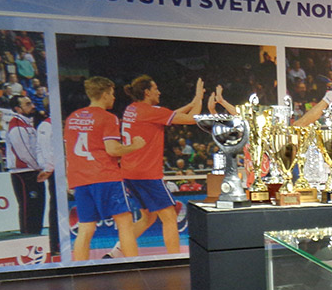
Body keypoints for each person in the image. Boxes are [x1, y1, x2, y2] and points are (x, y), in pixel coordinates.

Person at [64, 77, 146, 260]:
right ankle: (134, 267)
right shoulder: (108, 118)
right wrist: (135, 146)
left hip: (80, 179)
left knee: (85, 228)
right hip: (105, 176)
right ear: (105, 94)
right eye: (112, 93)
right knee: (125, 224)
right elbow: (113, 149)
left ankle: (79, 269)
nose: (114, 98)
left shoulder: (72, 118)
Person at [121, 75, 204, 254]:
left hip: (129, 173)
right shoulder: (151, 112)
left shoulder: (131, 109)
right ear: (147, 92)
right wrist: (198, 98)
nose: (159, 92)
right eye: (155, 88)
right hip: (146, 174)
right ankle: (174, 258)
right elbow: (192, 119)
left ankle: (115, 253)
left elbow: (166, 116)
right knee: (169, 217)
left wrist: (191, 104)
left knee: (148, 218)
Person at [4, 95, 45, 234]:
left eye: (31, 103)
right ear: (18, 108)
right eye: (27, 104)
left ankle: (36, 235)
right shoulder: (17, 126)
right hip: (24, 172)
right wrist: (38, 167)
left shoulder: (26, 124)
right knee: (29, 207)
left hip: (31, 170)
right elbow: (24, 152)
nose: (32, 106)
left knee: (37, 207)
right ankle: (28, 237)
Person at [34, 108, 59, 256]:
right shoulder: (48, 126)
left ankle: (56, 243)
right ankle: (55, 243)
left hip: (55, 169)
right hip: (55, 171)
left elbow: (40, 149)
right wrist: (48, 168)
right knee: (56, 207)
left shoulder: (47, 125)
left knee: (57, 206)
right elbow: (49, 150)